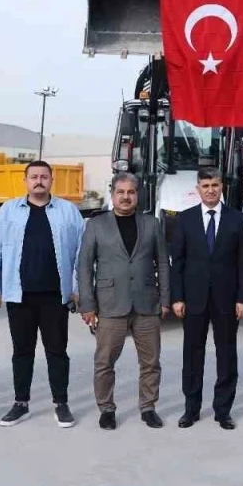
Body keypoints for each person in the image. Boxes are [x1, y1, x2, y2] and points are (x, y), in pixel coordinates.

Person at [0, 161, 86, 428]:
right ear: (25, 181)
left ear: (52, 180)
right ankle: (21, 403)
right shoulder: (9, 211)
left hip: (55, 295)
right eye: (34, 177)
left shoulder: (68, 211)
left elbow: (82, 253)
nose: (39, 181)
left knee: (57, 351)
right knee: (22, 351)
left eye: (44, 176)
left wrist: (77, 289)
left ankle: (61, 403)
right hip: (20, 295)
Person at [76, 172, 171, 429]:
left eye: (131, 192)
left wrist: (165, 299)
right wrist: (87, 304)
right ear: (113, 194)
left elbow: (163, 263)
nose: (126, 197)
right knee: (104, 362)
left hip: (146, 303)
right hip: (109, 304)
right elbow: (84, 266)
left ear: (137, 195)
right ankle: (106, 409)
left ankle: (148, 407)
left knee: (151, 362)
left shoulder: (151, 224)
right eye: (121, 192)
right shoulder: (96, 225)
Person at [170, 168, 243, 430]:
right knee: (192, 355)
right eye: (205, 186)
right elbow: (177, 262)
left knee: (226, 354)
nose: (210, 190)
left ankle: (223, 411)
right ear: (198, 189)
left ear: (221, 187)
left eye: (215, 185)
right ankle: (191, 409)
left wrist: (242, 298)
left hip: (227, 299)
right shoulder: (185, 219)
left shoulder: (237, 219)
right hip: (193, 299)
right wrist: (177, 297)